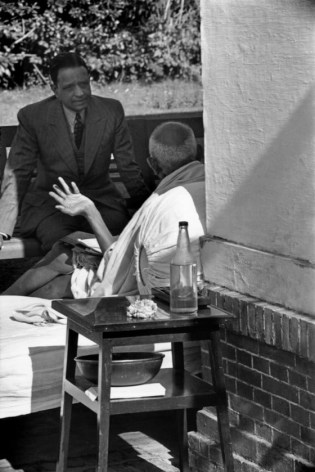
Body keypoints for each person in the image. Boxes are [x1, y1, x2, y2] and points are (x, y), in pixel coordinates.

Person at [3, 121, 206, 298]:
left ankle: (6, 307)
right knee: (67, 250)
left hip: (141, 282)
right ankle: (5, 302)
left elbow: (116, 263)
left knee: (59, 273)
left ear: (152, 164)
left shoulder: (160, 203)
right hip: (166, 270)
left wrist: (89, 211)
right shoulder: (209, 186)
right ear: (198, 149)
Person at [0, 52, 150, 252]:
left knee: (120, 250)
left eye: (84, 84)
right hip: (52, 209)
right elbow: (17, 173)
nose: (79, 93)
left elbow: (128, 168)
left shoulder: (111, 111)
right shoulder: (34, 117)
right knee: (67, 252)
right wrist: (1, 230)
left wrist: (149, 210)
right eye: (69, 87)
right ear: (54, 89)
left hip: (102, 206)